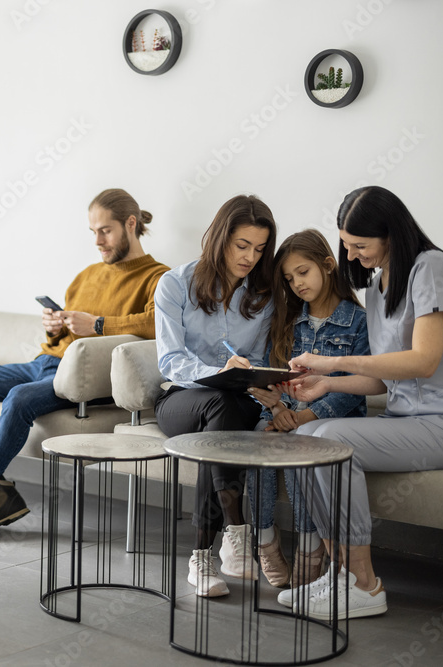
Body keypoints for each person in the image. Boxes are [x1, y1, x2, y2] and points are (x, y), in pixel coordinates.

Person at [0, 189, 170, 536]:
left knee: (20, 397)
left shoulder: (159, 277)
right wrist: (55, 328)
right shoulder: (86, 275)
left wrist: (97, 325)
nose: (98, 240)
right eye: (93, 231)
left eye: (105, 230)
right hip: (46, 363)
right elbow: (66, 334)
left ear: (130, 224)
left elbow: (156, 324)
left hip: (88, 380)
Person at [282, 186, 443, 620]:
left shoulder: (432, 269)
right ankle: (341, 573)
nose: (351, 256)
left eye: (360, 245)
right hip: (408, 421)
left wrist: (332, 363)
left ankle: (366, 585)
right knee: (303, 437)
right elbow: (385, 378)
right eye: (346, 245)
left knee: (331, 441)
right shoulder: (380, 285)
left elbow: (423, 362)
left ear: (391, 234)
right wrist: (326, 386)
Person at [153, 194, 276, 597]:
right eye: (242, 246)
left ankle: (201, 557)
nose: (250, 258)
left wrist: (255, 379)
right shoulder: (175, 284)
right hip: (181, 400)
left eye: (259, 249)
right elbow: (171, 361)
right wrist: (217, 373)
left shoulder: (264, 296)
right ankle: (236, 527)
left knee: (222, 413)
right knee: (216, 405)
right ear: (221, 239)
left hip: (236, 402)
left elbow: (258, 360)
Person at [244, 229, 368, 589]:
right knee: (259, 439)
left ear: (328, 265)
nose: (296, 283)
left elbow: (350, 389)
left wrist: (298, 418)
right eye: (288, 278)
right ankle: (265, 543)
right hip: (284, 412)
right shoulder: (287, 320)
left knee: (303, 443)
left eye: (303, 272)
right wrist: (279, 408)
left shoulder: (358, 322)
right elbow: (273, 373)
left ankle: (310, 549)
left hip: (331, 418)